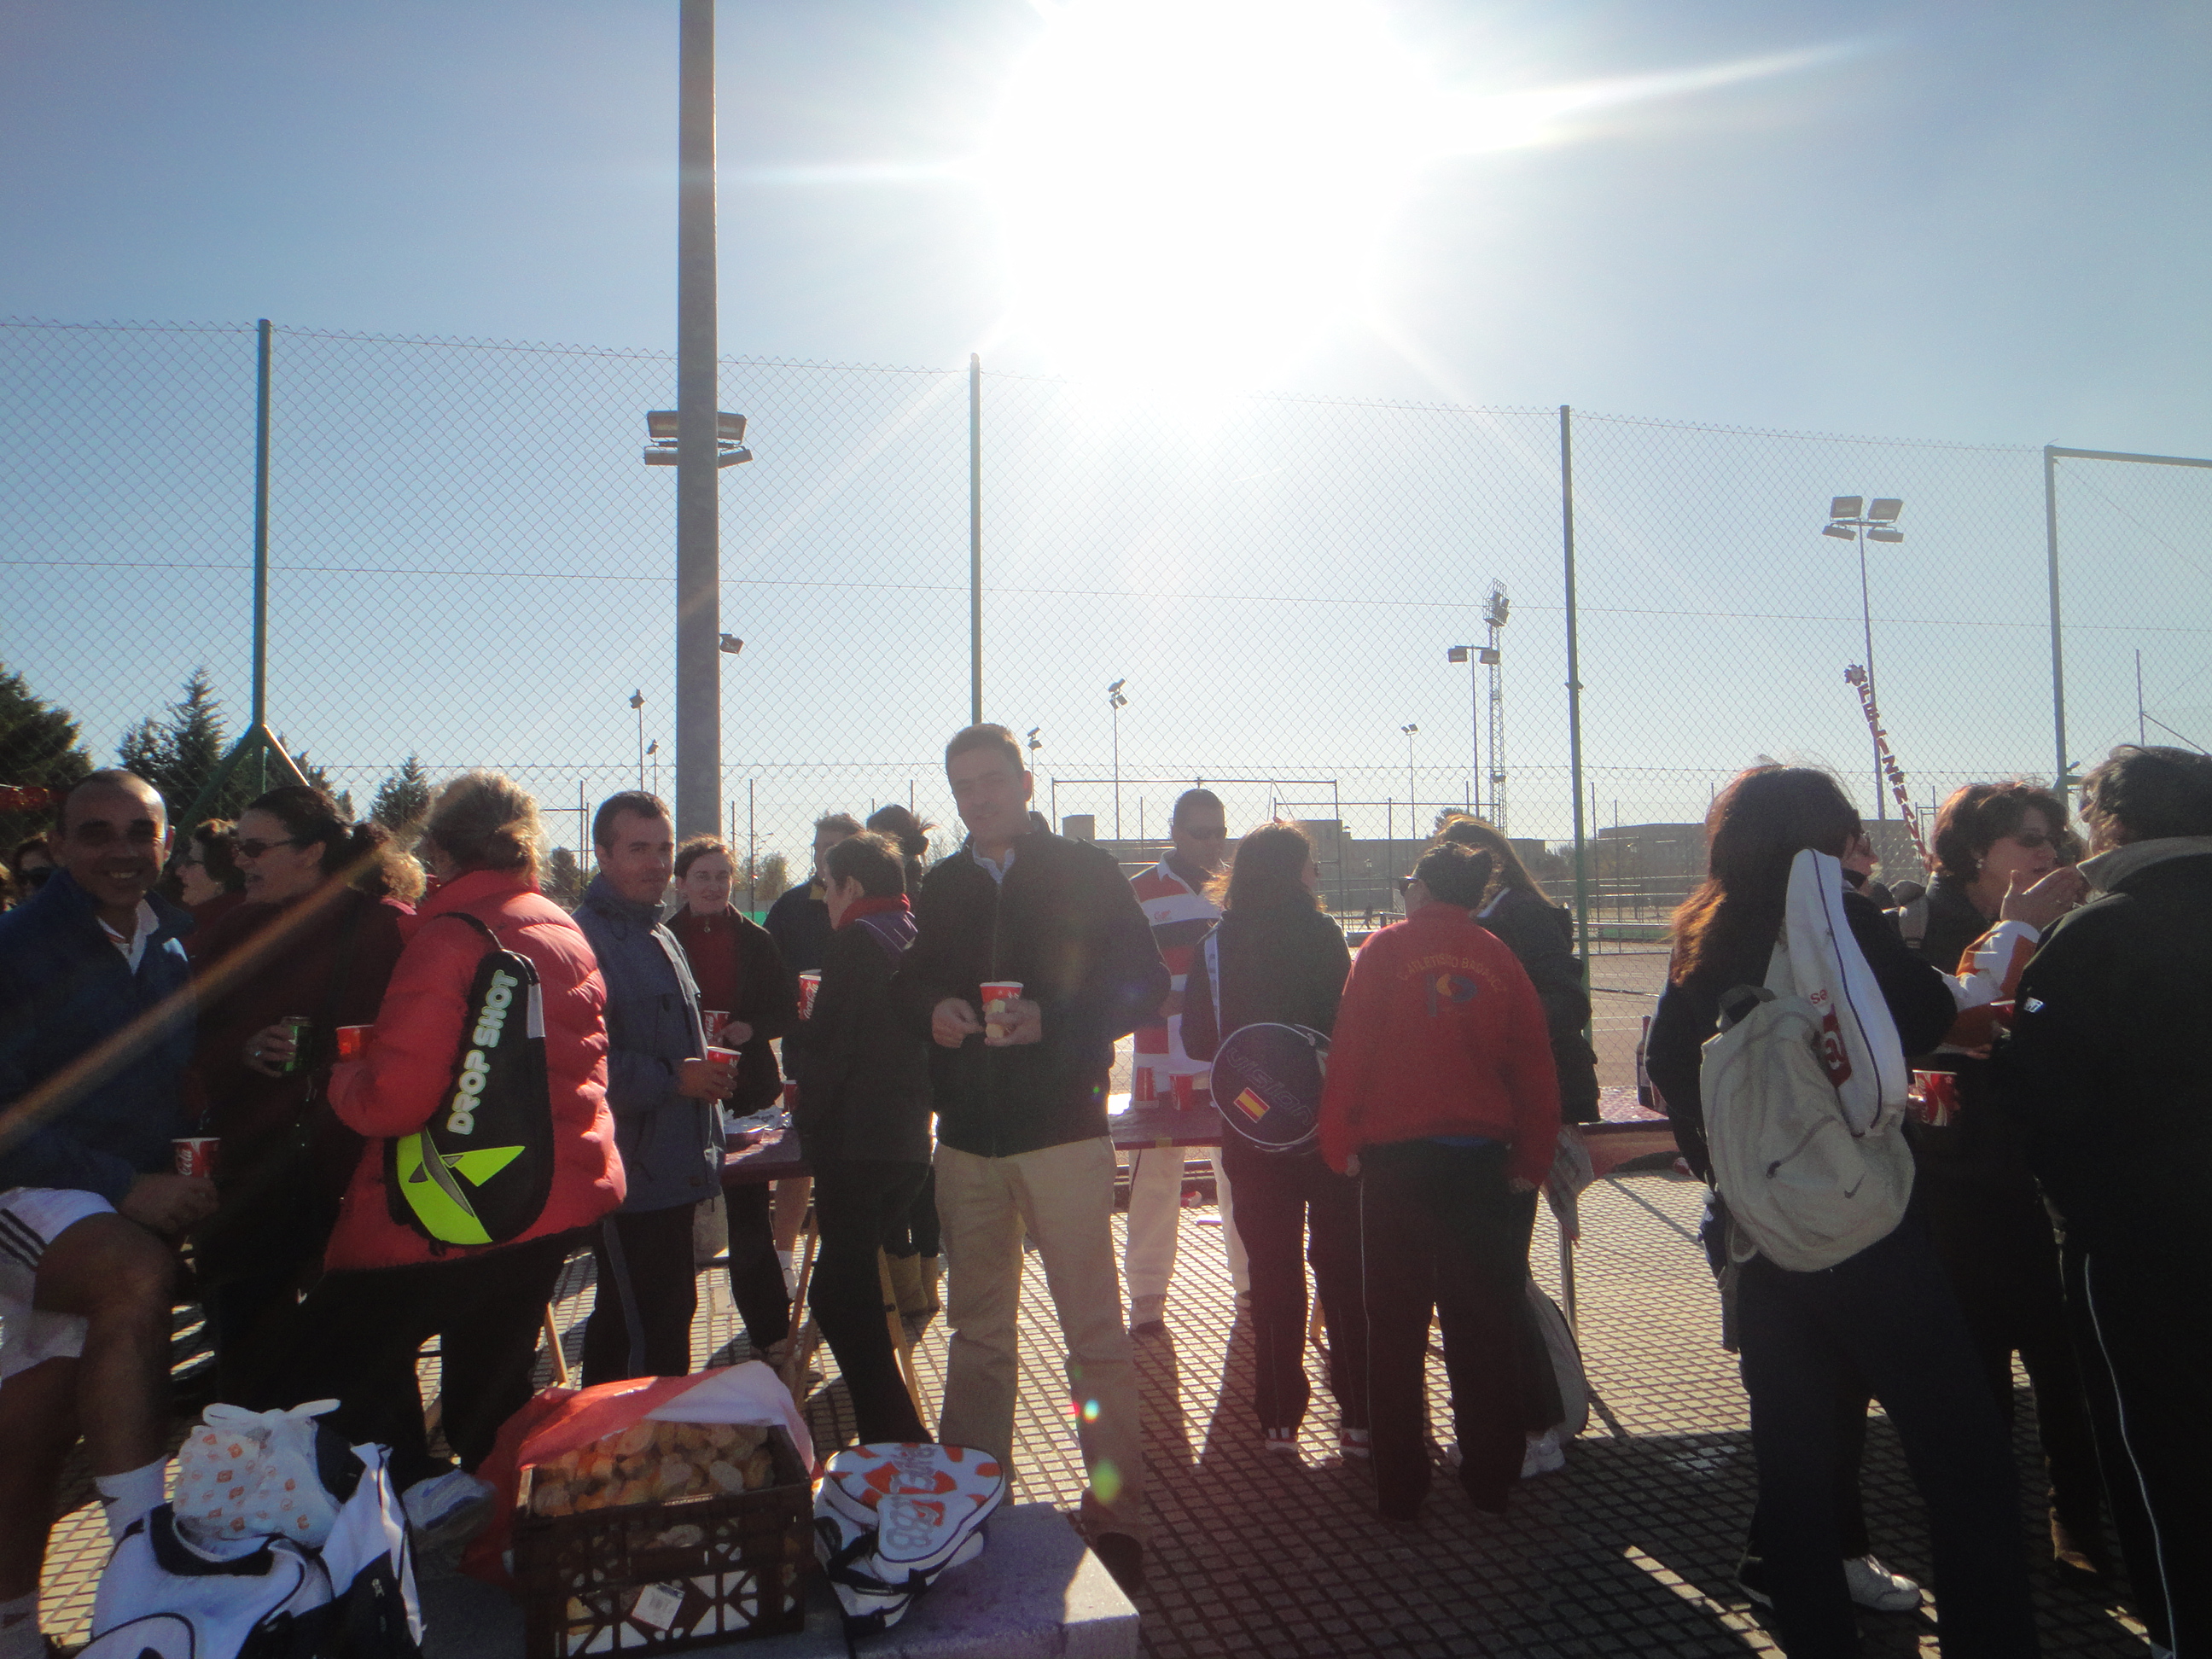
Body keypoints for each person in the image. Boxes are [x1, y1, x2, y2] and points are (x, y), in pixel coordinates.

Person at [1645, 766, 2036, 1658]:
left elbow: (1669, 1062)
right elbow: (1920, 1013)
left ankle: (1816, 1637)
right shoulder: (1835, 914)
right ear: (1821, 837)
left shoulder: (1702, 930)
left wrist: (1735, 1169)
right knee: (1965, 1456)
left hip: (1762, 1233)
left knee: (1796, 1462)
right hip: (1863, 1225)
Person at [242, 770, 623, 1534]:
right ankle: (527, 1538)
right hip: (551, 1193)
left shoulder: (451, 937)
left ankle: (408, 1509)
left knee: (328, 1365)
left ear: (440, 852)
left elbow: (396, 1101)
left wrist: (339, 1072)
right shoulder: (555, 922)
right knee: (491, 1384)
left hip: (449, 1204)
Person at [901, 724, 1167, 1592]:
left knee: (1093, 1333)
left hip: (1062, 1134)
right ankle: (976, 1506)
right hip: (967, 1141)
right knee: (978, 1336)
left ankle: (1116, 1514)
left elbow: (1145, 985)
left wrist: (1055, 1019)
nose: (978, 798)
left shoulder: (1085, 872)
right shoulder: (943, 884)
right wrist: (934, 1009)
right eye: (963, 786)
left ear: (1025, 782)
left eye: (992, 780)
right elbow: (913, 980)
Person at [1998, 745, 2212, 1657]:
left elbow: (2038, 1100)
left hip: (2138, 1241)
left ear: (2113, 825)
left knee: (2160, 1448)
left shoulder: (2095, 935)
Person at [0, 771, 214, 1659]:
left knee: (33, 1436)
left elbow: (166, 1081)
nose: (122, 851)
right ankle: (146, 1564)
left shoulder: (173, 942)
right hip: (25, 1193)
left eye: (140, 832)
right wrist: (126, 1186)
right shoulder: (17, 946)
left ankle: (14, 1637)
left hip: (98, 1204)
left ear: (165, 842)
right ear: (57, 844)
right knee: (135, 1274)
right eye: (96, 832)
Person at [1317, 841, 1558, 1524]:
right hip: (1478, 1167)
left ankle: (1400, 1486)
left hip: (1396, 1167)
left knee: (1393, 1330)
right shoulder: (1497, 956)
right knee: (1481, 1327)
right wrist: (1531, 1160)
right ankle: (1490, 1477)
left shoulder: (1384, 951)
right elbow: (1534, 1067)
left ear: (1421, 888)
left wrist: (1339, 1144)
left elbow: (1350, 1053)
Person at [1905, 783, 2105, 1580]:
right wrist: (2014, 936)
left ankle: (2076, 1517)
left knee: (2065, 1362)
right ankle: (1986, 1524)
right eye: (2028, 838)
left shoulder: (2075, 924)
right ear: (1973, 852)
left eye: (2053, 835)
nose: (2048, 850)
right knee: (1974, 1361)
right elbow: (1954, 1027)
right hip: (1954, 1175)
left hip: (2045, 1170)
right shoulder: (1923, 927)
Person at [184, 788, 412, 1393]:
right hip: (254, 1169)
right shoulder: (236, 928)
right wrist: (243, 1049)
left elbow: (420, 1043)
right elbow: (186, 1035)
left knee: (364, 1356)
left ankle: (364, 1449)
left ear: (311, 851)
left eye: (256, 847)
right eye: (238, 847)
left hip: (355, 1167)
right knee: (249, 1354)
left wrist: (336, 1053)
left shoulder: (384, 926)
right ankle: (252, 1444)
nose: (240, 860)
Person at [1179, 821, 1365, 1457]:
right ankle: (1357, 1414)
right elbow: (1346, 1027)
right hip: (1324, 1125)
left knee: (1272, 1270)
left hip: (1252, 1129)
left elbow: (1197, 1041)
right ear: (1296, 870)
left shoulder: (1214, 943)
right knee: (1340, 1265)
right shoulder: (1322, 933)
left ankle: (1279, 1417)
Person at [1433, 812, 1598, 1477]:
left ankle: (1535, 1427)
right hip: (1502, 1108)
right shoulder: (1494, 920)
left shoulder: (1519, 917)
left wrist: (1494, 1023)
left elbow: (1565, 1003)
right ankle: (1531, 1422)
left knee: (1497, 1275)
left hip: (1523, 1110)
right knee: (1498, 1274)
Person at [573, 793, 735, 1386]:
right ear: (602, 854)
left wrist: (702, 1076)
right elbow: (582, 1064)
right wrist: (674, 1078)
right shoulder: (584, 939)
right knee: (636, 1335)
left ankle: (649, 1433)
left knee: (664, 1321)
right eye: (638, 848)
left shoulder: (659, 933)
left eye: (664, 848)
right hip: (628, 1179)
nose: (656, 863)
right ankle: (621, 1438)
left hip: (673, 1171)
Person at [781, 830, 933, 1442]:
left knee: (841, 1296)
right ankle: (887, 1426)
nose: (825, 901)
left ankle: (894, 1432)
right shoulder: (909, 930)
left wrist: (803, 1113)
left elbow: (833, 1050)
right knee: (848, 1287)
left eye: (828, 887)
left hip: (856, 1143)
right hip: (907, 1141)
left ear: (853, 886)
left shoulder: (855, 941)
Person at [663, 834, 796, 1359]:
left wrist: (751, 1027)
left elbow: (787, 1008)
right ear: (681, 884)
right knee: (672, 1222)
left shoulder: (757, 940)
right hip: (680, 1094)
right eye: (702, 876)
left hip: (746, 1092)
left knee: (749, 1217)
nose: (714, 886)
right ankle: (667, 1348)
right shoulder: (662, 939)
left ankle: (771, 1334)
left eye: (722, 876)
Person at [1123, 787, 1248, 1337]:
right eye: (1200, 832)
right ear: (1173, 832)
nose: (1212, 842)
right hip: (1159, 1058)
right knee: (1154, 1178)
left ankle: (1249, 1286)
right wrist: (1153, 999)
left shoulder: (1237, 891)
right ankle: (1147, 1295)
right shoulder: (1139, 892)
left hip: (1227, 1060)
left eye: (1219, 831)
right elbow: (1115, 969)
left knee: (1239, 1173)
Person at [865, 804, 943, 1330]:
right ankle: (925, 1284)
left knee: (890, 1175)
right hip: (931, 1047)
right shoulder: (928, 888)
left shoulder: (883, 904)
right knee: (922, 1167)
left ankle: (901, 1288)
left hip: (890, 1058)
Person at [765, 812, 863, 984]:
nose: (821, 856)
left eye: (830, 848)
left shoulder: (868, 901)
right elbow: (765, 960)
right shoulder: (791, 903)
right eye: (817, 848)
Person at [169, 818, 248, 944]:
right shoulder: (193, 923)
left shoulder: (222, 934)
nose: (179, 871)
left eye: (190, 863)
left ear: (220, 876)